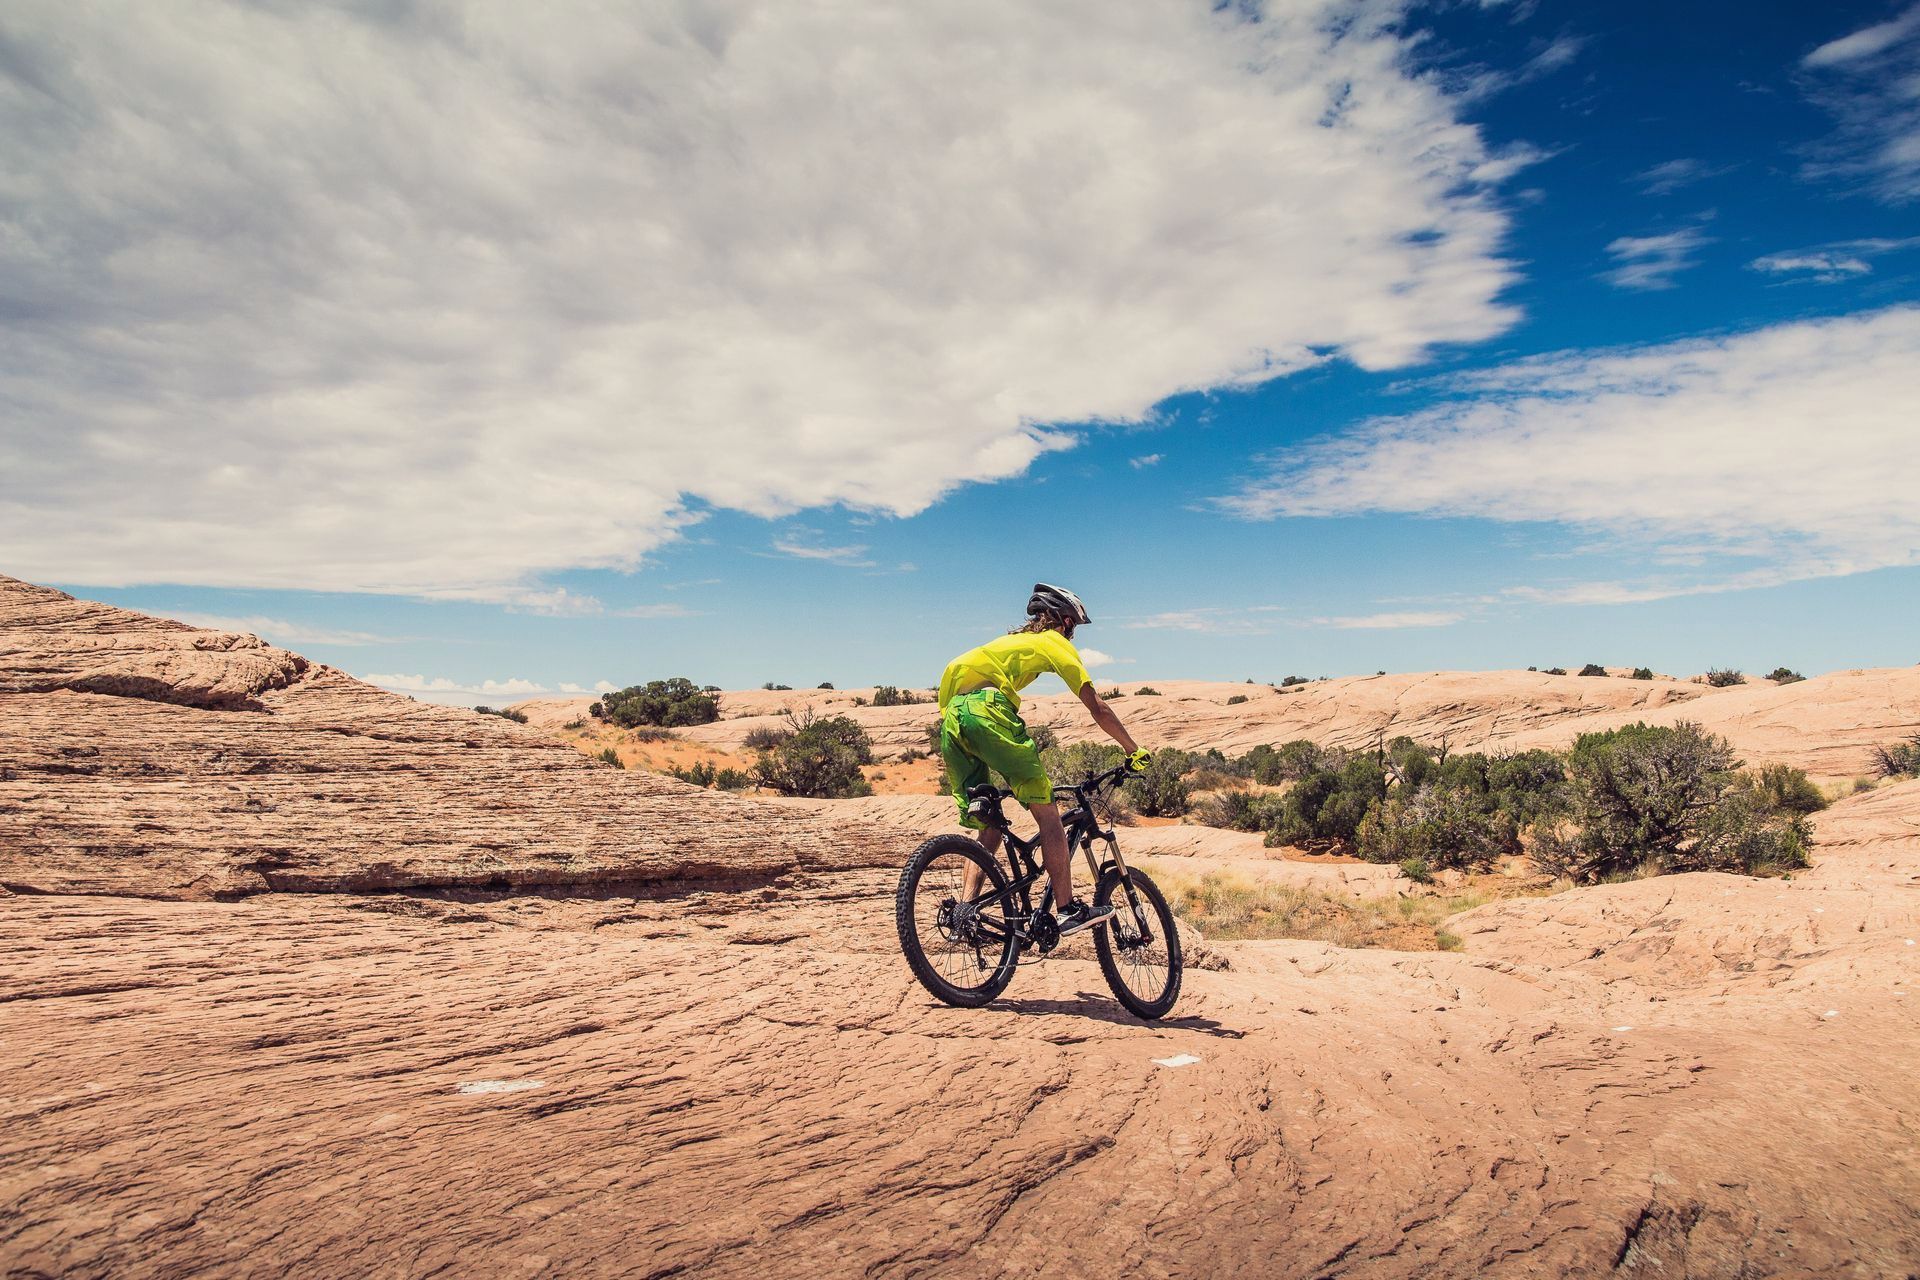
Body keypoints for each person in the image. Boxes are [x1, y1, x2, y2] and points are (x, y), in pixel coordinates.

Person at [936, 583, 1149, 936]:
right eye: (1074, 627)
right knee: (1049, 817)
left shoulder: (1009, 644)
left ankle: (965, 913)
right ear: (1064, 621)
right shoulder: (1053, 642)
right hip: (987, 712)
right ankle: (1067, 909)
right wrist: (1132, 749)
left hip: (953, 721)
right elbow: (1097, 706)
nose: (1074, 634)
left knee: (988, 822)